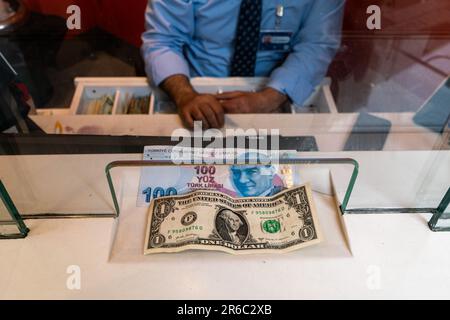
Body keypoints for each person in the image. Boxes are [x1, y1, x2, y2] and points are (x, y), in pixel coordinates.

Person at [142, 0, 345, 129]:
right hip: (198, 84)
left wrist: (270, 98)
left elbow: (316, 44)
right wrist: (185, 94)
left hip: (275, 85)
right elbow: (163, 40)